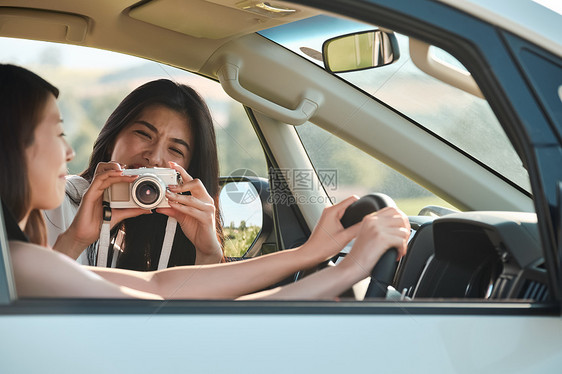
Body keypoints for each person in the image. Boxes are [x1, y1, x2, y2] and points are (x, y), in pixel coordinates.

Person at [0, 64, 410, 300]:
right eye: (57, 133)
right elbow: (173, 308)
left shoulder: (16, 255)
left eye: (176, 150)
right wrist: (347, 267)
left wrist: (309, 255)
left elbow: (163, 286)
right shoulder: (19, 258)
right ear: (13, 148)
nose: (70, 152)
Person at [44, 79, 224, 270]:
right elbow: (26, 293)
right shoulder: (56, 201)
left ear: (188, 172)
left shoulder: (151, 240)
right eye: (144, 134)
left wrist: (207, 254)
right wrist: (74, 240)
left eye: (175, 149)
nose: (154, 158)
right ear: (112, 139)